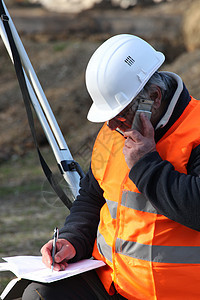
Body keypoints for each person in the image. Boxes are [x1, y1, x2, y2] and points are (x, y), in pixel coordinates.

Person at [22, 34, 200, 300]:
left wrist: (146, 165)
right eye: (109, 118)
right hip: (111, 285)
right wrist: (74, 239)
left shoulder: (195, 130)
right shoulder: (113, 133)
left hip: (176, 293)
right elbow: (92, 197)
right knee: (39, 295)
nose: (113, 126)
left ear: (154, 96)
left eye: (121, 115)